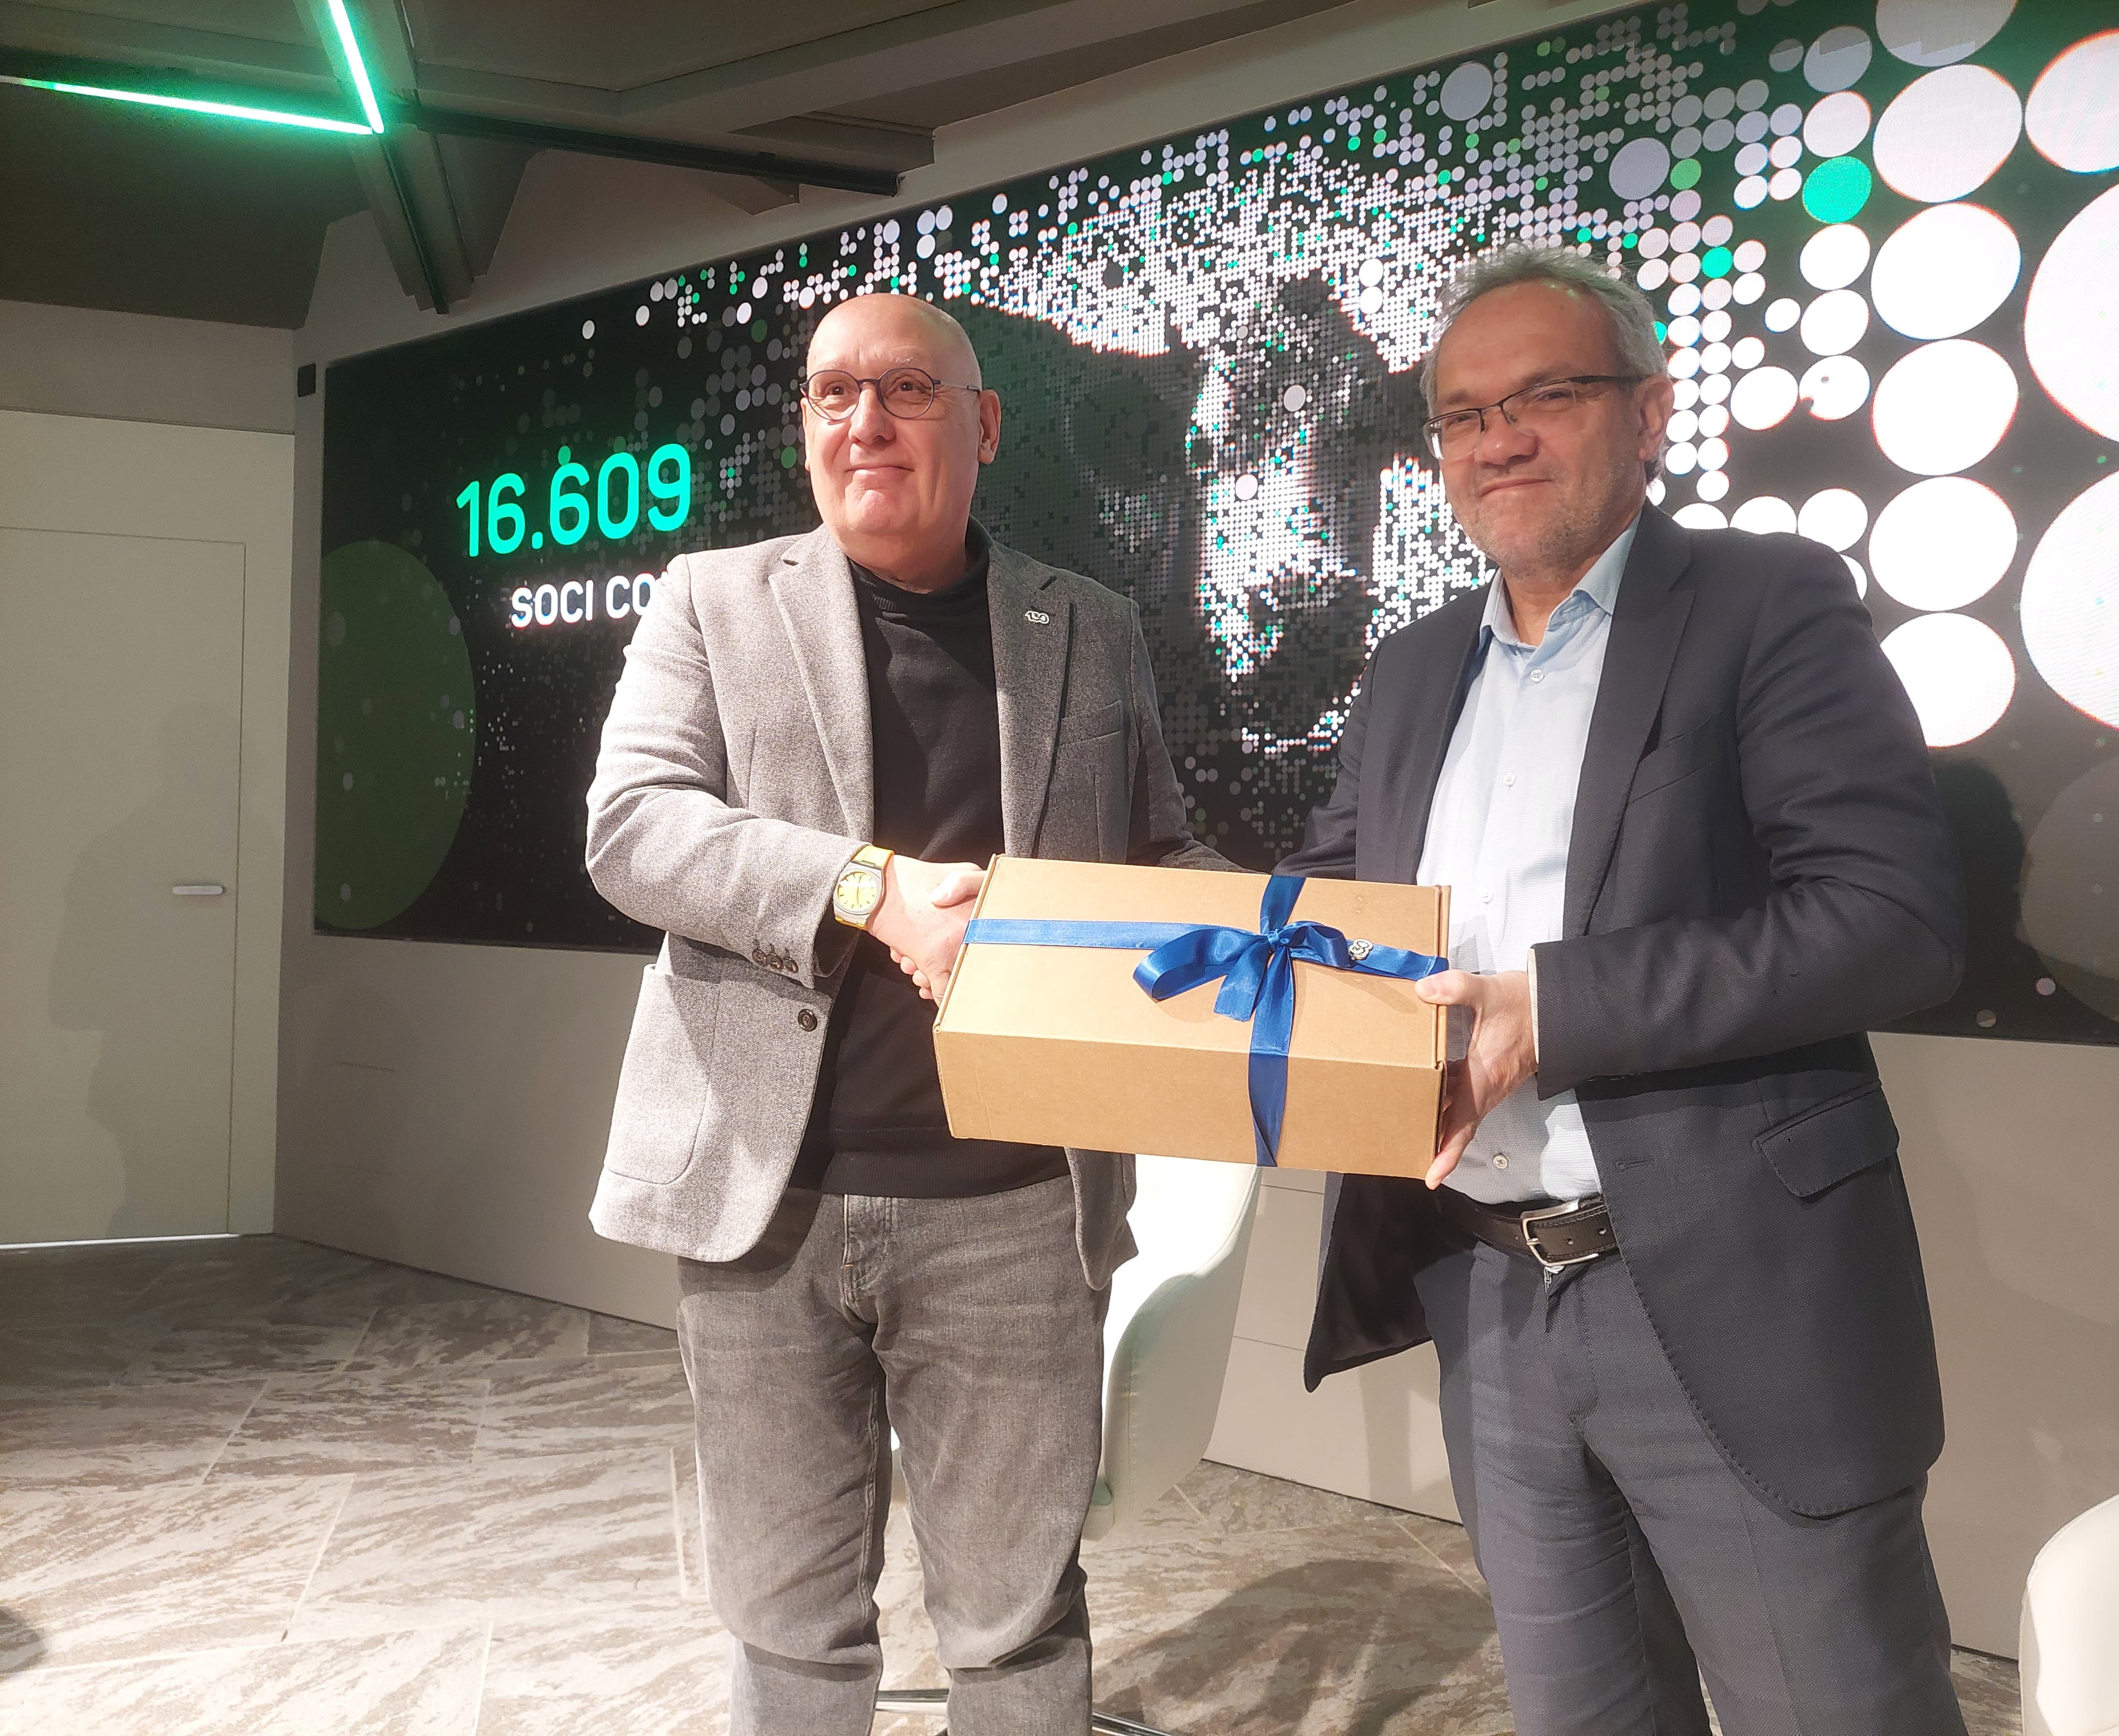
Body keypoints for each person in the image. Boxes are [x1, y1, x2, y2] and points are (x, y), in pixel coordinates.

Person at [1280, 244, 1971, 1735]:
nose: (1498, 440)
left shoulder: (1764, 604)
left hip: (1726, 1287)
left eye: (1546, 395)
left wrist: (1554, 1008)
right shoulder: (1411, 671)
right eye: (1464, 416)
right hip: (1484, 1286)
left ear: (1650, 414)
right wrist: (1099, 944)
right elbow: (1323, 912)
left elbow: (1889, 917)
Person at [584, 290, 1222, 1736]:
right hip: (770, 1202)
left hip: (1016, 1205)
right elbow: (633, 827)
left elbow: (1154, 855)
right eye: (834, 394)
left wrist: (1288, 933)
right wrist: (870, 888)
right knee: (788, 1629)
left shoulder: (1090, 622)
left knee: (1016, 1629)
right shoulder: (711, 598)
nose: (865, 421)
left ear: (983, 425)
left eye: (908, 391)